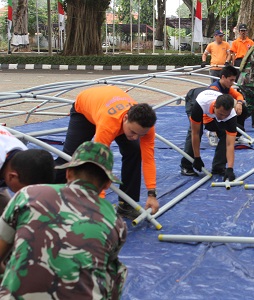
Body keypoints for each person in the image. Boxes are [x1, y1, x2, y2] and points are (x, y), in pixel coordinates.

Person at [0, 141, 127, 299]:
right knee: (114, 269)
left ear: (68, 173)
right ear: (107, 184)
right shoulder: (116, 221)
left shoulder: (27, 194)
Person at [54, 85, 158, 220]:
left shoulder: (146, 128)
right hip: (85, 109)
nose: (135, 137)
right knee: (69, 158)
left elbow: (148, 159)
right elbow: (98, 164)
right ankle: (50, 195)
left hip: (107, 106)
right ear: (126, 118)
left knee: (134, 150)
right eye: (133, 132)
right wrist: (100, 206)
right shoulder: (108, 124)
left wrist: (151, 194)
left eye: (140, 135)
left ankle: (126, 205)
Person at [180, 89, 237, 180]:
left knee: (225, 134)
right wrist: (197, 157)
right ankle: (186, 165)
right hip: (193, 99)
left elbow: (230, 144)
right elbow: (195, 133)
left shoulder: (231, 116)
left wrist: (230, 168)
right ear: (214, 107)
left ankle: (218, 167)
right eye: (220, 114)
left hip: (210, 103)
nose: (222, 118)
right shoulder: (200, 105)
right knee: (195, 130)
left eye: (225, 115)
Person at [0, 126, 54, 213]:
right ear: (12, 177)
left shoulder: (24, 157)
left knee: (11, 214)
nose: (27, 197)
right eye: (24, 192)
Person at [209, 66, 249, 144]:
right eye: (231, 80)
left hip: (221, 114)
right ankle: (212, 133)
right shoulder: (214, 89)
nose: (232, 83)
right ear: (223, 77)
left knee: (243, 109)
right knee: (236, 129)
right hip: (212, 116)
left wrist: (239, 103)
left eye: (234, 80)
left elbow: (239, 95)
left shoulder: (226, 87)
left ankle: (237, 137)